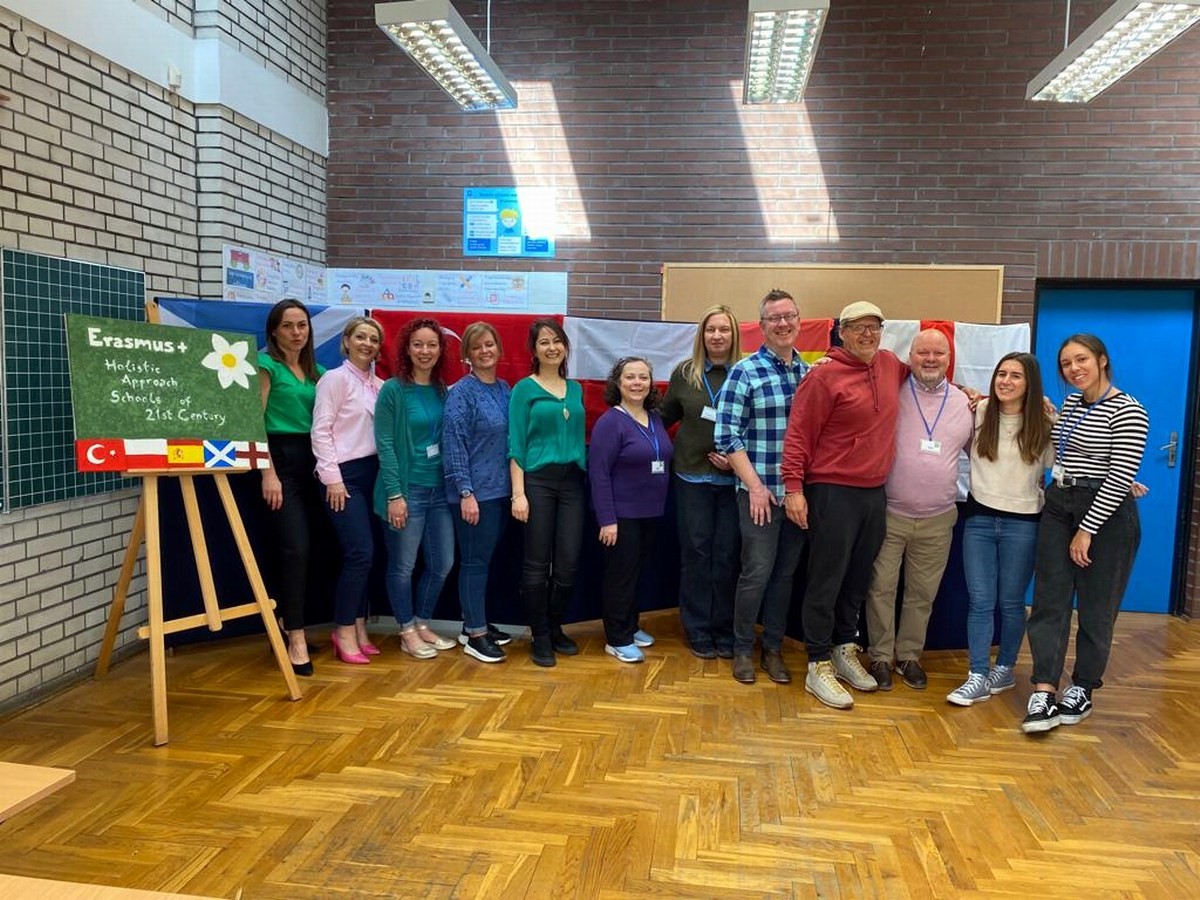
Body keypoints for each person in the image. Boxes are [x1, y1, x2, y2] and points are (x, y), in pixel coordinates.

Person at [781, 301, 909, 709]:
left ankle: (842, 648)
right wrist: (793, 488)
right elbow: (798, 434)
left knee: (856, 579)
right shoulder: (823, 376)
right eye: (858, 327)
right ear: (842, 332)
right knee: (826, 578)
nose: (867, 334)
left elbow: (926, 376)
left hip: (874, 492)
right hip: (831, 490)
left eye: (874, 327)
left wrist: (969, 393)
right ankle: (817, 663)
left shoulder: (890, 365)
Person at [1021, 334, 1148, 734]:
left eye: (1081, 360)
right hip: (1061, 503)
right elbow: (1072, 451)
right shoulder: (1074, 404)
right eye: (1066, 363)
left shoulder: (1129, 410)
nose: (1073, 369)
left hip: (1105, 517)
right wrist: (1051, 416)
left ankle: (1082, 687)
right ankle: (1044, 689)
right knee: (1049, 601)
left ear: (1102, 360)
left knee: (1097, 607)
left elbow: (1119, 474)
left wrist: (1087, 530)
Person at [863, 330, 974, 691]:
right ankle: (880, 656)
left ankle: (909, 656)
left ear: (949, 359)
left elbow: (988, 449)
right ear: (909, 356)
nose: (930, 359)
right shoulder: (890, 393)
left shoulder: (965, 403)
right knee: (880, 589)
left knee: (922, 594)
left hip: (938, 518)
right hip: (889, 513)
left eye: (938, 353)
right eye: (922, 352)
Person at [713, 289, 808, 686]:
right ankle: (741, 648)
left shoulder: (810, 373)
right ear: (763, 325)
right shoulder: (745, 371)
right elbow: (725, 435)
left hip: (797, 496)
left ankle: (772, 648)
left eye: (789, 316)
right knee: (756, 573)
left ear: (798, 320)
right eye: (774, 318)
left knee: (785, 576)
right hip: (759, 496)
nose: (783, 324)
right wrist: (753, 486)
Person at [947, 352, 1053, 706]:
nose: (1006, 381)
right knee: (980, 601)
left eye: (1016, 376)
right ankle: (977, 674)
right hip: (979, 520)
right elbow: (939, 388)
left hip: (1023, 524)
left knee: (1010, 602)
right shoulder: (979, 411)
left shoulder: (1044, 421)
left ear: (1030, 383)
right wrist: (967, 391)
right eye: (1001, 374)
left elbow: (1069, 459)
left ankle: (1004, 667)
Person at [660, 305, 741, 659]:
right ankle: (697, 629)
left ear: (734, 335)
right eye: (711, 330)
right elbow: (665, 416)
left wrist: (736, 460)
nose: (717, 336)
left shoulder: (745, 372)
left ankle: (724, 628)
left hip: (734, 482)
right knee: (696, 553)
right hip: (691, 477)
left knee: (726, 556)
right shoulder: (685, 373)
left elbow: (758, 425)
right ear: (702, 335)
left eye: (724, 329)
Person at [374, 317, 457, 659]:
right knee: (402, 567)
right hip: (407, 491)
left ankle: (422, 623)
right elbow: (385, 443)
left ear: (440, 350)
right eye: (418, 344)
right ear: (407, 349)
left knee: (442, 564)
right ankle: (406, 630)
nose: (425, 351)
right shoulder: (393, 390)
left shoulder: (441, 390)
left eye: (431, 345)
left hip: (439, 492)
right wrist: (395, 495)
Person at [508, 318, 587, 667]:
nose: (551, 347)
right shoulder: (524, 389)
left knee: (568, 562)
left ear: (565, 347)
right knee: (537, 562)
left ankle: (555, 626)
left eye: (557, 341)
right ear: (534, 350)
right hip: (537, 481)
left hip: (572, 482)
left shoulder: (576, 389)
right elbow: (516, 443)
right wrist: (518, 493)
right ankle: (539, 634)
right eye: (544, 342)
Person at [589, 357, 674, 663]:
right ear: (618, 383)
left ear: (651, 383)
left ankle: (630, 625)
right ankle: (617, 638)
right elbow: (598, 474)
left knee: (636, 573)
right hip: (621, 515)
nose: (637, 383)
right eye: (630, 377)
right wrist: (607, 519)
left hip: (650, 512)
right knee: (620, 577)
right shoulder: (610, 422)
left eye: (643, 377)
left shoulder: (654, 418)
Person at [258, 299, 326, 676]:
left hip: (314, 465)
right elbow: (253, 422)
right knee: (294, 550)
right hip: (280, 463)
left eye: (302, 325)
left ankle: (290, 623)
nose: (297, 332)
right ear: (274, 330)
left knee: (314, 551)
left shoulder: (318, 371)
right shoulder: (265, 365)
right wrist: (268, 473)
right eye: (288, 326)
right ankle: (295, 639)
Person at [311, 315, 385, 665]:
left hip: (374, 475)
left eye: (373, 339)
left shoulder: (380, 385)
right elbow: (320, 430)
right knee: (360, 554)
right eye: (360, 337)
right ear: (346, 341)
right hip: (344, 478)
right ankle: (342, 631)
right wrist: (333, 478)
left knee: (367, 556)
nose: (367, 344)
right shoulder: (334, 379)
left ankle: (359, 626)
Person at [442, 321, 515, 663]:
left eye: (490, 344)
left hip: (500, 492)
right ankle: (475, 635)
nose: (485, 351)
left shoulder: (504, 389)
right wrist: (465, 492)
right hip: (474, 496)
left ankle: (473, 622)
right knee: (474, 563)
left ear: (499, 349)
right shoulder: (461, 393)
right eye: (477, 346)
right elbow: (453, 443)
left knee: (485, 562)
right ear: (467, 354)